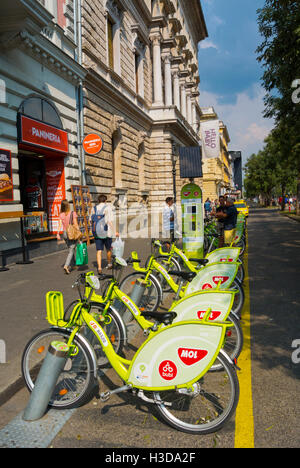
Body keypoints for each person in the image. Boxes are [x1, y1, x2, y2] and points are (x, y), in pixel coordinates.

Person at [92, 194, 118, 274]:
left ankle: (99, 268)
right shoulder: (107, 208)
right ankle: (109, 264)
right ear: (105, 200)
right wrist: (115, 231)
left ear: (98, 201)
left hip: (97, 232)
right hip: (106, 233)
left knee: (99, 250)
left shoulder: (94, 208)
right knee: (108, 249)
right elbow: (109, 221)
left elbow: (91, 220)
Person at [56, 199, 80, 274]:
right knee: (71, 250)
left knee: (70, 248)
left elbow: (60, 225)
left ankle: (73, 265)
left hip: (65, 234)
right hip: (71, 233)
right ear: (68, 206)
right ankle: (66, 266)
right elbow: (75, 224)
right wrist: (79, 233)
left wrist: (57, 234)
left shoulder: (61, 214)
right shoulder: (73, 213)